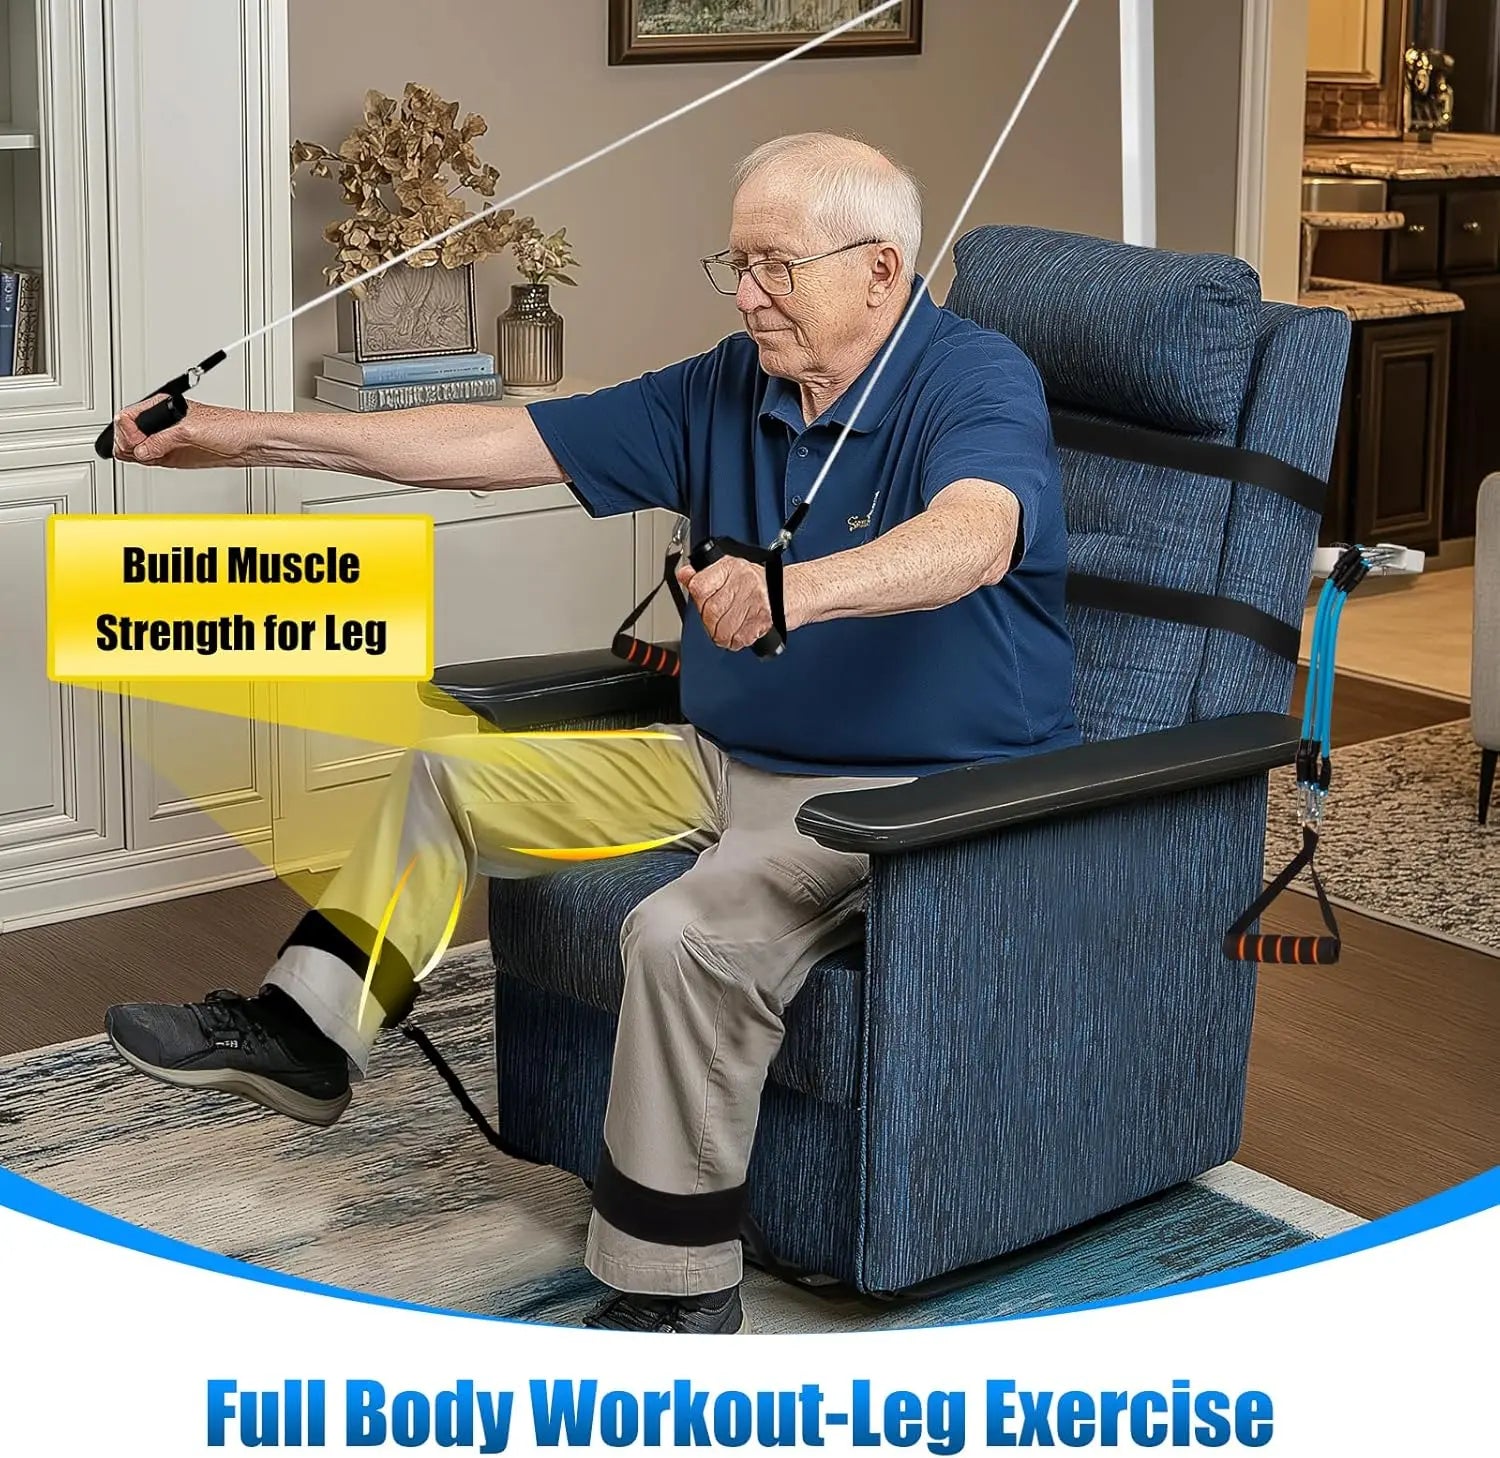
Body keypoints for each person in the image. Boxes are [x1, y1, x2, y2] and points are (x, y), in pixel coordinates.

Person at [102, 132, 1080, 1334]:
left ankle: (676, 1296)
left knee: (681, 935)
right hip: (717, 760)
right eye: (736, 264)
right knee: (449, 773)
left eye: (776, 267)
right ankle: (306, 1036)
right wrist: (244, 435)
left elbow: (975, 536)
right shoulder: (728, 384)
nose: (746, 295)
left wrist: (797, 590)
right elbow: (499, 445)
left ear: (880, 269)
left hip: (902, 794)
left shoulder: (973, 379)